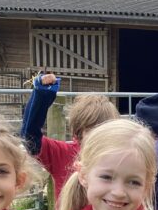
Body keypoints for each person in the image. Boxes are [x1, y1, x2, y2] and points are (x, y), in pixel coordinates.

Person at [20, 72, 119, 201]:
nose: (97, 137)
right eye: (91, 130)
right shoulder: (63, 154)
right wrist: (42, 95)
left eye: (104, 131)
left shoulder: (119, 158)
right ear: (79, 130)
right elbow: (30, 137)